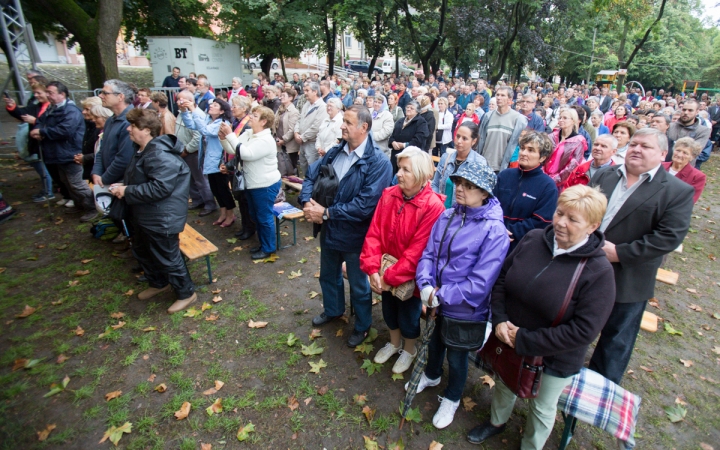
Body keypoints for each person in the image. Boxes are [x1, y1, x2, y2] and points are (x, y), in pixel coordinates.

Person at [468, 185, 615, 447]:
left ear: (592, 226)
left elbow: (584, 330)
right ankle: (496, 422)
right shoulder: (534, 239)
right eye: (559, 213)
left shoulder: (598, 271)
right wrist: (500, 319)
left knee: (542, 407)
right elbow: (502, 278)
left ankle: (530, 445)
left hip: (554, 357)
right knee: (504, 383)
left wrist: (524, 339)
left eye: (572, 219)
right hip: (508, 335)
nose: (560, 223)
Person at [588, 128, 694, 384]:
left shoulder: (676, 191)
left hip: (628, 278)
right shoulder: (606, 174)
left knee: (614, 341)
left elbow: (668, 237)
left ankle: (599, 393)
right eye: (634, 144)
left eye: (645, 146)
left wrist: (621, 254)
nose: (636, 149)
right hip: (585, 267)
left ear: (662, 153)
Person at [414, 162, 510, 429]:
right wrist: (425, 284)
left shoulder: (494, 231)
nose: (459, 189)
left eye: (469, 186)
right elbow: (429, 254)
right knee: (433, 344)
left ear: (485, 193)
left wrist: (440, 295)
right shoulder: (447, 216)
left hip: (466, 310)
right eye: (458, 183)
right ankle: (432, 375)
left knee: (457, 357)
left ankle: (453, 397)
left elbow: (480, 283)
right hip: (437, 300)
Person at [300, 105, 393, 348]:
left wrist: (327, 213)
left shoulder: (378, 163)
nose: (342, 125)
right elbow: (310, 176)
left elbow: (364, 206)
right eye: (343, 121)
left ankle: (362, 326)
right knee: (329, 276)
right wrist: (307, 202)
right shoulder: (335, 151)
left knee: (359, 285)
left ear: (364, 127)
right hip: (330, 230)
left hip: (356, 236)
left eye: (348, 122)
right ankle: (333, 310)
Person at [360, 147, 444, 373]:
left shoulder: (432, 206)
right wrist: (372, 268)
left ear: (419, 173)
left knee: (408, 315)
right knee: (388, 311)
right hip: (385, 270)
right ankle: (394, 343)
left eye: (406, 169)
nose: (399, 173)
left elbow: (418, 250)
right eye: (399, 168)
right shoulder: (389, 195)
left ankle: (409, 349)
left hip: (409, 277)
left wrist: (389, 277)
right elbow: (374, 232)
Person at [110, 109, 196, 313]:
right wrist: (123, 186)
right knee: (144, 250)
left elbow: (161, 188)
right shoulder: (143, 150)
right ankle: (158, 283)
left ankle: (186, 293)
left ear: (147, 130)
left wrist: (127, 190)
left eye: (133, 126)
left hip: (162, 217)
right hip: (145, 214)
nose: (128, 129)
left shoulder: (159, 154)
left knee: (168, 256)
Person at [220, 106, 282, 259]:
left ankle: (269, 249)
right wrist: (223, 137)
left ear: (263, 121)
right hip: (252, 183)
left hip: (265, 185)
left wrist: (231, 135)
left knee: (264, 216)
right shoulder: (249, 134)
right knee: (255, 214)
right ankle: (263, 244)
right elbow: (232, 148)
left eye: (255, 115)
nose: (250, 117)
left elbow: (246, 154)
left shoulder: (266, 140)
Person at [31, 81, 97, 222]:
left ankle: (92, 207)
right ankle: (80, 205)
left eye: (51, 93)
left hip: (70, 152)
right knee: (65, 181)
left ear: (62, 94)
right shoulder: (51, 108)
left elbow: (66, 130)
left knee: (77, 183)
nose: (48, 95)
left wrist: (42, 131)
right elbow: (39, 121)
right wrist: (38, 129)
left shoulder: (71, 111)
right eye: (47, 92)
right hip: (57, 153)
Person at [495, 131, 558, 251]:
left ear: (542, 157)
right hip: (493, 236)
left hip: (520, 245)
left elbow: (542, 221)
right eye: (522, 148)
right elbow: (490, 204)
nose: (523, 153)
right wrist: (496, 227)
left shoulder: (548, 187)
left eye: (531, 150)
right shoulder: (505, 175)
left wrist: (511, 231)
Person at [180, 97, 236, 227]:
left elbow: (205, 131)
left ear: (222, 111)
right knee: (215, 189)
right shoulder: (209, 120)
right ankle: (222, 213)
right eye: (212, 104)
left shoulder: (223, 123)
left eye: (215, 105)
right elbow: (192, 125)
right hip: (210, 161)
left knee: (223, 190)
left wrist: (193, 109)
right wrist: (184, 111)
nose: (211, 106)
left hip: (218, 162)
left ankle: (230, 215)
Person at [4, 82, 54, 202]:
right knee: (43, 169)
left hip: (49, 144)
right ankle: (48, 190)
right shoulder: (36, 106)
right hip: (37, 144)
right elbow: (22, 114)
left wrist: (35, 121)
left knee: (45, 170)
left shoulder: (53, 107)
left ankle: (49, 192)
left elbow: (54, 126)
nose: (36, 95)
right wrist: (13, 106)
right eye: (34, 93)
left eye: (39, 93)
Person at [174, 90, 217, 217]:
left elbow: (198, 136)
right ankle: (197, 200)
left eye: (181, 99)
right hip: (184, 151)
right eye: (178, 99)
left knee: (201, 180)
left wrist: (187, 150)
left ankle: (209, 203)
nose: (178, 102)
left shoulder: (196, 114)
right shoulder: (182, 113)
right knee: (190, 178)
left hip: (193, 152)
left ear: (190, 101)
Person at [432, 122, 488, 208]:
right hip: (441, 212)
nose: (459, 141)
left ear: (474, 141)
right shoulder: (446, 158)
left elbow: (480, 195)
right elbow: (435, 184)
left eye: (464, 138)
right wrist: (437, 203)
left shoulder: (479, 162)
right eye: (458, 136)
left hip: (463, 215)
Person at [93, 80, 135, 190]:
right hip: (110, 181)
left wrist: (104, 179)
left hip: (122, 184)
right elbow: (101, 149)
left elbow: (124, 159)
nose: (100, 96)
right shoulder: (110, 121)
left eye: (105, 93)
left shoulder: (131, 122)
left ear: (120, 97)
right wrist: (97, 172)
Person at [477, 86, 528, 172]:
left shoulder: (519, 120)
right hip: (484, 166)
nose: (499, 98)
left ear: (510, 99)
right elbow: (480, 141)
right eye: (497, 95)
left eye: (503, 95)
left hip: (504, 168)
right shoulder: (488, 116)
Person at [544, 108, 587, 188]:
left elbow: (573, 165)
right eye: (560, 117)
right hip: (543, 177)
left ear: (573, 121)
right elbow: (543, 155)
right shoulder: (552, 136)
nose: (561, 120)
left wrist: (555, 179)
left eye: (565, 118)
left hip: (560, 183)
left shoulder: (578, 141)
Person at [294, 82, 328, 177]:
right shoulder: (307, 104)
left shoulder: (322, 107)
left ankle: (312, 190)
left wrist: (302, 137)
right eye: (304, 90)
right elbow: (299, 119)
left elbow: (316, 127)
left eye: (307, 90)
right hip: (302, 142)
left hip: (311, 144)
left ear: (315, 92)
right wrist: (296, 133)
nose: (305, 93)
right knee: (303, 166)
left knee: (312, 169)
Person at [661, 137, 706, 203]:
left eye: (685, 153)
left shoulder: (697, 176)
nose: (679, 155)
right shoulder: (659, 166)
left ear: (692, 157)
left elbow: (689, 201)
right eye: (678, 150)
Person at [388, 101, 429, 173]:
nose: (408, 109)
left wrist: (404, 145)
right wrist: (393, 142)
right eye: (407, 107)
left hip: (410, 157)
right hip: (396, 156)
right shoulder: (400, 121)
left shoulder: (421, 122)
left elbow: (419, 140)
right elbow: (392, 136)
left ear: (417, 111)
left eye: (412, 108)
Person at [275, 88, 300, 171]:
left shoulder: (294, 111)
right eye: (281, 95)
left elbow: (292, 129)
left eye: (283, 96)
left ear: (290, 98)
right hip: (279, 144)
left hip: (289, 147)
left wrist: (283, 140)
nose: (281, 97)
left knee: (290, 169)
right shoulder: (280, 110)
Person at [370, 94, 395, 158]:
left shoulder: (388, 115)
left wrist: (369, 136)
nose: (376, 104)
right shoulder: (369, 111)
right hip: (367, 146)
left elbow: (386, 132)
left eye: (379, 103)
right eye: (375, 102)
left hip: (380, 149)